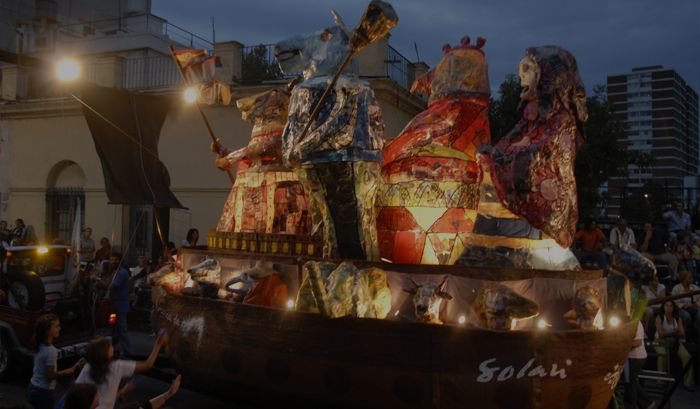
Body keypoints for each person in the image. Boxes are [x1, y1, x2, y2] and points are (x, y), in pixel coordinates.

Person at [76, 333, 168, 409]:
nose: (112, 346)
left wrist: (119, 394)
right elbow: (147, 365)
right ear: (106, 353)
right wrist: (158, 344)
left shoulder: (87, 368)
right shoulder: (116, 366)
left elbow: (80, 394)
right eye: (109, 346)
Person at [27, 314, 85, 409]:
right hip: (43, 392)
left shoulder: (38, 344)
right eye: (57, 326)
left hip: (34, 387)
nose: (59, 329)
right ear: (48, 331)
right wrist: (71, 370)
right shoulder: (51, 351)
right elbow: (49, 375)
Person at [94, 253, 133, 356]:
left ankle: (129, 352)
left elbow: (111, 286)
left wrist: (98, 280)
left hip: (121, 304)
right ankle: (115, 350)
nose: (113, 262)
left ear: (120, 261)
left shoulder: (122, 273)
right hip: (114, 303)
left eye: (116, 260)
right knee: (115, 330)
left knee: (122, 329)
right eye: (111, 260)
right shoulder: (114, 272)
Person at [654, 300, 694, 391]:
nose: (668, 308)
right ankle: (661, 381)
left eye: (670, 306)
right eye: (666, 305)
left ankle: (688, 383)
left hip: (675, 342)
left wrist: (668, 333)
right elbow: (660, 334)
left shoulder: (677, 318)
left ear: (673, 308)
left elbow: (682, 333)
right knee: (662, 355)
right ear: (663, 307)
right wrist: (674, 331)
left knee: (687, 357)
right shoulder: (659, 317)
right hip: (660, 342)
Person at [625, 321, 655, 409]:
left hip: (636, 357)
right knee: (630, 381)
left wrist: (623, 345)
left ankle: (646, 402)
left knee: (631, 382)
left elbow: (638, 342)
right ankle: (641, 403)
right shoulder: (626, 322)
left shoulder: (636, 323)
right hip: (630, 357)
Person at [670, 270, 700, 341]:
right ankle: (684, 336)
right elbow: (674, 301)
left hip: (695, 307)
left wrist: (695, 304)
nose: (692, 279)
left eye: (692, 277)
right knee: (686, 316)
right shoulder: (676, 288)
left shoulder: (695, 288)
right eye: (689, 278)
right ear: (683, 279)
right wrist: (683, 305)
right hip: (681, 308)